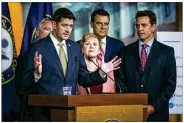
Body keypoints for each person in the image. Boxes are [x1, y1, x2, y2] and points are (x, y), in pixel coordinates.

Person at [20, 8, 121, 121]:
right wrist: (36, 74)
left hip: (70, 111)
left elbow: (83, 78)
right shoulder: (38, 47)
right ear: (54, 25)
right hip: (45, 113)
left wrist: (101, 73)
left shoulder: (75, 48)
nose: (68, 30)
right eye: (64, 25)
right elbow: (23, 84)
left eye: (71, 26)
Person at [118, 10, 176, 121]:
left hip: (158, 114)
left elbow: (170, 85)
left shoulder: (167, 52)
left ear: (153, 27)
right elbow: (120, 81)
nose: (139, 28)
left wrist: (154, 107)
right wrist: (132, 104)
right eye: (137, 25)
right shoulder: (126, 52)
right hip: (131, 114)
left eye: (144, 25)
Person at [78, 9, 125, 94]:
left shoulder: (119, 45)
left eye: (106, 24)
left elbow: (122, 75)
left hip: (111, 96)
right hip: (84, 95)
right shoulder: (78, 46)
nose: (103, 27)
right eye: (99, 23)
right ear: (91, 24)